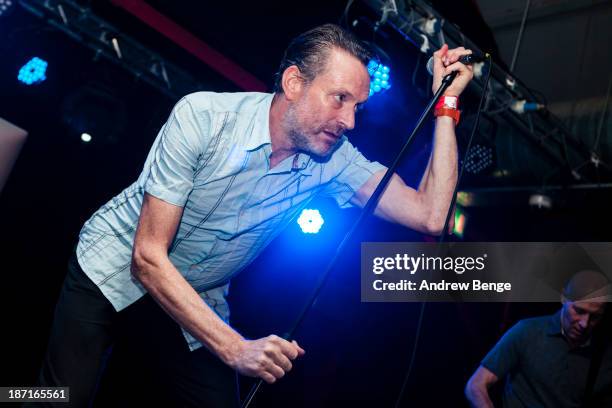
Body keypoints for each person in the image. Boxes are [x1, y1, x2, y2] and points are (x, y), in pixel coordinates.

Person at [33, 23, 474, 406]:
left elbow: (430, 216)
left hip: (197, 294)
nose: (349, 121)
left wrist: (447, 104)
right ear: (294, 83)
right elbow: (147, 257)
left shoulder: (336, 160)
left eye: (356, 106)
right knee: (59, 396)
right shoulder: (204, 117)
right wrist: (234, 347)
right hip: (112, 267)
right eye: (339, 98)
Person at [465, 270, 612, 408]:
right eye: (579, 311)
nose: (584, 323)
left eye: (595, 316)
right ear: (563, 298)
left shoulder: (605, 354)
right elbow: (476, 384)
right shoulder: (527, 331)